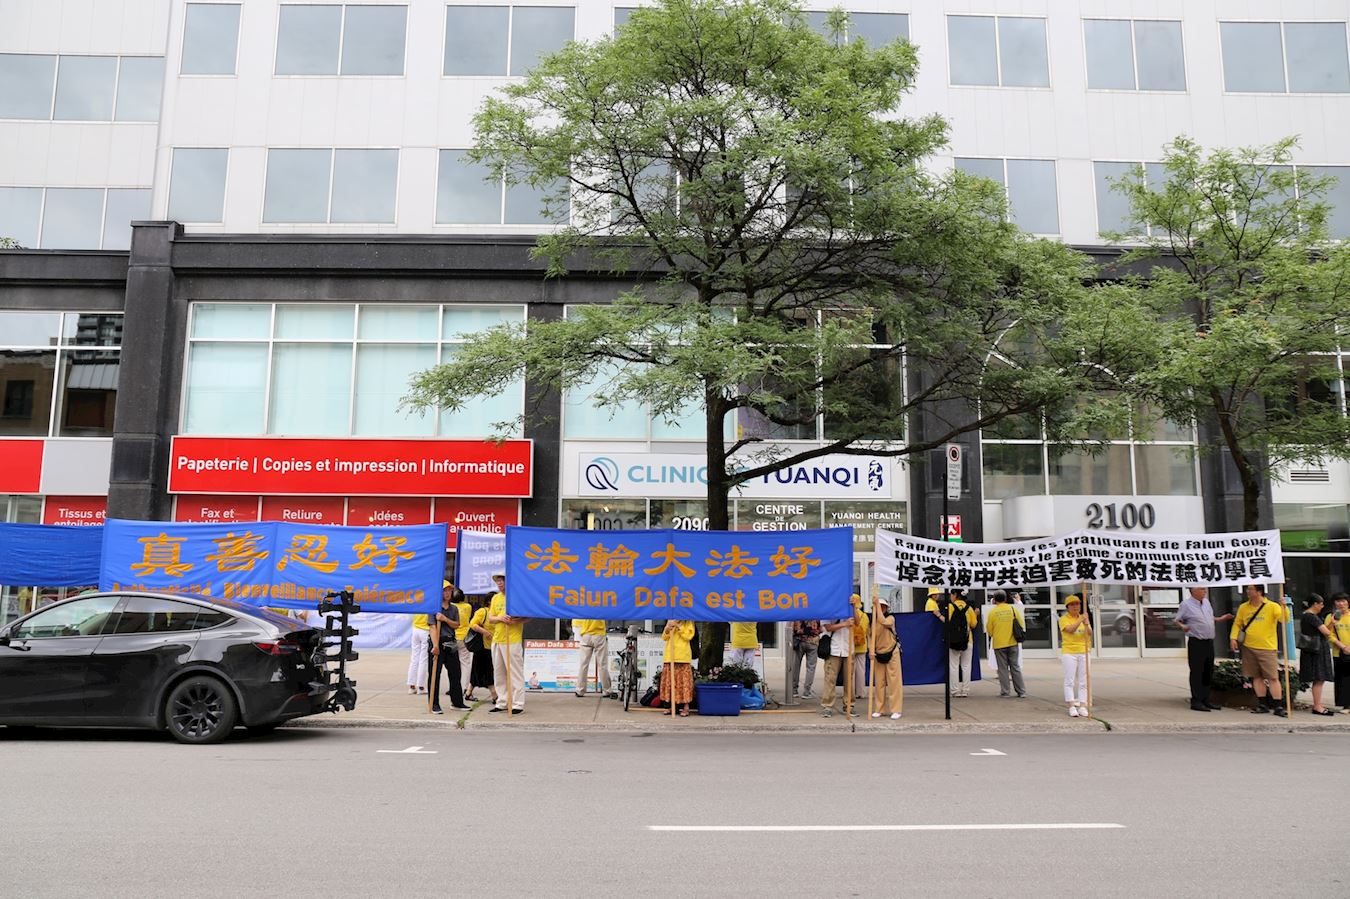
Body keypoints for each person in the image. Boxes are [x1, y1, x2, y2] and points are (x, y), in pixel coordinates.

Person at [1229, 583, 1292, 717]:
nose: (1248, 591)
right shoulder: (1243, 607)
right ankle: (1262, 704)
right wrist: (1233, 638)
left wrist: (1284, 607)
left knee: (1272, 677)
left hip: (1267, 647)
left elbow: (1284, 619)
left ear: (1259, 592)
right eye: (1247, 589)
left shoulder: (1272, 606)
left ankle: (1278, 706)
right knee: (1256, 676)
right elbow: (1237, 623)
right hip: (1249, 646)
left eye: (1250, 589)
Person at [1175, 585, 1233, 712]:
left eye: (1204, 589)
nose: (1205, 591)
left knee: (1208, 670)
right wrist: (1183, 626)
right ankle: (1196, 700)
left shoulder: (1206, 602)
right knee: (1197, 671)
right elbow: (1177, 620)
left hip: (1209, 642)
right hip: (1196, 642)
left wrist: (1220, 619)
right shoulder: (1186, 604)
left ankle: (1206, 699)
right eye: (1202, 589)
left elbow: (1209, 618)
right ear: (1193, 591)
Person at [487, 573, 527, 714]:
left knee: (515, 672)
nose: (499, 583)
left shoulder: (516, 597)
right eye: (498, 581)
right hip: (497, 639)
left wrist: (514, 621)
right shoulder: (495, 598)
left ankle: (518, 704)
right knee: (499, 673)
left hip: (512, 639)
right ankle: (502, 701)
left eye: (502, 580)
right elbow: (491, 618)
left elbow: (528, 617)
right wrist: (500, 618)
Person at [927, 587, 977, 697]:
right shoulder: (969, 608)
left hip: (953, 640)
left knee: (953, 666)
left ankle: (955, 691)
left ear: (955, 595)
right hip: (968, 640)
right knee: (966, 666)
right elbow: (973, 624)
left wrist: (938, 615)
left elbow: (947, 621)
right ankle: (965, 690)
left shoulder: (950, 607)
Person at [428, 581, 468, 714]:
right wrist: (435, 646)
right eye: (445, 590)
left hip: (451, 643)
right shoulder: (433, 608)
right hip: (437, 643)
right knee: (435, 674)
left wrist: (445, 619)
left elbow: (457, 624)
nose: (447, 593)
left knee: (455, 673)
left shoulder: (454, 608)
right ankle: (434, 704)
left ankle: (457, 702)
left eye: (449, 590)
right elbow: (432, 627)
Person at [1299, 594, 1336, 716]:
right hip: (1316, 650)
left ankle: (1318, 704)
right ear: (1315, 604)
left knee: (1318, 678)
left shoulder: (1305, 616)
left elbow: (1324, 631)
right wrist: (1332, 624)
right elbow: (1326, 632)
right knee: (1319, 678)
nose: (1322, 606)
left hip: (1313, 650)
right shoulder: (1312, 617)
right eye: (1321, 604)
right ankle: (1317, 706)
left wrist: (1331, 623)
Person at [984, 589, 1025, 699]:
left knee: (1002, 669)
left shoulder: (992, 612)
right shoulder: (1013, 609)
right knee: (1015, 667)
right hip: (1013, 642)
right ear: (1005, 599)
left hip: (999, 644)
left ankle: (1005, 692)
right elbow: (1021, 623)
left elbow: (989, 629)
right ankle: (1021, 691)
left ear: (994, 600)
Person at [1059, 594, 1091, 717]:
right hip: (1069, 652)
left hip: (1084, 651)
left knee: (1084, 681)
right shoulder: (1064, 619)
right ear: (1067, 607)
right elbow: (1070, 630)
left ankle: (1083, 706)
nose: (1075, 606)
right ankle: (1071, 706)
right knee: (1069, 680)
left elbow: (1089, 633)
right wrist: (1080, 620)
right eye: (1072, 604)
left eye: (1077, 604)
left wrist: (1086, 623)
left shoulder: (1083, 618)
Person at [869, 597, 902, 720]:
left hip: (892, 652)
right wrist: (871, 651)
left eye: (883, 606)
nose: (881, 608)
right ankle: (879, 709)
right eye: (879, 606)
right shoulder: (872, 622)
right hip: (878, 653)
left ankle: (896, 709)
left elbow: (883, 621)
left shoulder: (890, 618)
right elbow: (870, 637)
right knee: (879, 683)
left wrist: (877, 604)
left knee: (894, 682)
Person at [819, 609, 853, 717]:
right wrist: (845, 624)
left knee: (849, 679)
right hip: (834, 648)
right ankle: (827, 706)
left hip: (848, 648)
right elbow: (828, 627)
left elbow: (857, 622)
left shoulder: (849, 608)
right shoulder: (829, 608)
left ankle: (849, 706)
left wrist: (854, 607)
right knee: (830, 679)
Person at [660, 619, 696, 717]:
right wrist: (667, 628)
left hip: (682, 656)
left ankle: (686, 707)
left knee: (684, 683)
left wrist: (678, 626)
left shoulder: (688, 621)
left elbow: (688, 636)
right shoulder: (670, 620)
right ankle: (672, 706)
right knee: (671, 682)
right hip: (670, 655)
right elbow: (664, 637)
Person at [466, 596, 496, 704]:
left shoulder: (497, 613)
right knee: (487, 670)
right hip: (482, 646)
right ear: (489, 601)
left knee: (477, 670)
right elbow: (472, 624)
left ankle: (468, 692)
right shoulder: (483, 611)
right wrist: (484, 632)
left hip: (493, 646)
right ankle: (494, 695)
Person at [573, 618, 613, 697]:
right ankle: (607, 690)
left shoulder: (584, 609)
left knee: (583, 665)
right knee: (602, 665)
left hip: (585, 635)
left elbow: (576, 622)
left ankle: (580, 690)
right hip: (599, 634)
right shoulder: (601, 609)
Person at [1326, 592, 1350, 712]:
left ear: (1348, 602)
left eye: (1343, 601)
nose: (1341, 604)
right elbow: (1328, 634)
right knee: (1342, 679)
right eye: (1338, 601)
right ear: (1334, 603)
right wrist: (1342, 646)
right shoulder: (1331, 616)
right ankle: (1346, 705)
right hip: (1339, 652)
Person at [790, 619, 820, 699]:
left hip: (799, 641)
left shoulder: (798, 611)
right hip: (813, 641)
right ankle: (807, 692)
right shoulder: (817, 613)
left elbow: (792, 627)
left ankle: (794, 690)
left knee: (796, 665)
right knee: (811, 667)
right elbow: (820, 627)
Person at [453, 591, 474, 699]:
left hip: (453, 637)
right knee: (465, 663)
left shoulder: (451, 606)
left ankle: (454, 687)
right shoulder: (468, 606)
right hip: (465, 637)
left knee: (453, 664)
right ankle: (465, 687)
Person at [408, 608, 430, 695]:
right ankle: (421, 686)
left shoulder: (417, 602)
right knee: (423, 659)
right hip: (425, 630)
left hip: (415, 629)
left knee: (414, 659)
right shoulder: (429, 603)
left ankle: (411, 686)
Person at [851, 595, 869, 700]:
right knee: (861, 671)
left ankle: (851, 692)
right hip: (862, 645)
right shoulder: (864, 616)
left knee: (851, 671)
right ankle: (861, 692)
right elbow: (866, 631)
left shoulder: (848, 615)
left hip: (851, 645)